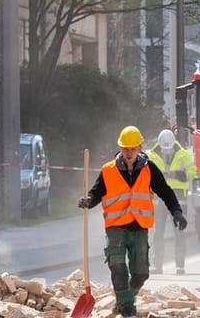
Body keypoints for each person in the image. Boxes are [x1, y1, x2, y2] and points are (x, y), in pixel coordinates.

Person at [77, 126, 186, 318]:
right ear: (120, 148)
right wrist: (88, 201)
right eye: (125, 148)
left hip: (139, 227)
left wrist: (176, 212)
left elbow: (166, 191)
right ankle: (127, 309)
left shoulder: (149, 168)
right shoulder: (108, 170)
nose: (129, 152)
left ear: (140, 147)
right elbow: (96, 193)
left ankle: (123, 301)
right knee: (117, 268)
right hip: (116, 227)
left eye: (133, 148)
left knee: (141, 274)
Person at [146, 128, 195, 275]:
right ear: (159, 145)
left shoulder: (184, 155)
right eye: (164, 148)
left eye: (168, 147)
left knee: (179, 232)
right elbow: (144, 175)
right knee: (157, 233)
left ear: (173, 144)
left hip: (178, 199)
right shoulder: (150, 156)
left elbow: (192, 173)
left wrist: (176, 174)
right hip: (159, 199)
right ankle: (157, 265)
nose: (166, 151)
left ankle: (180, 265)